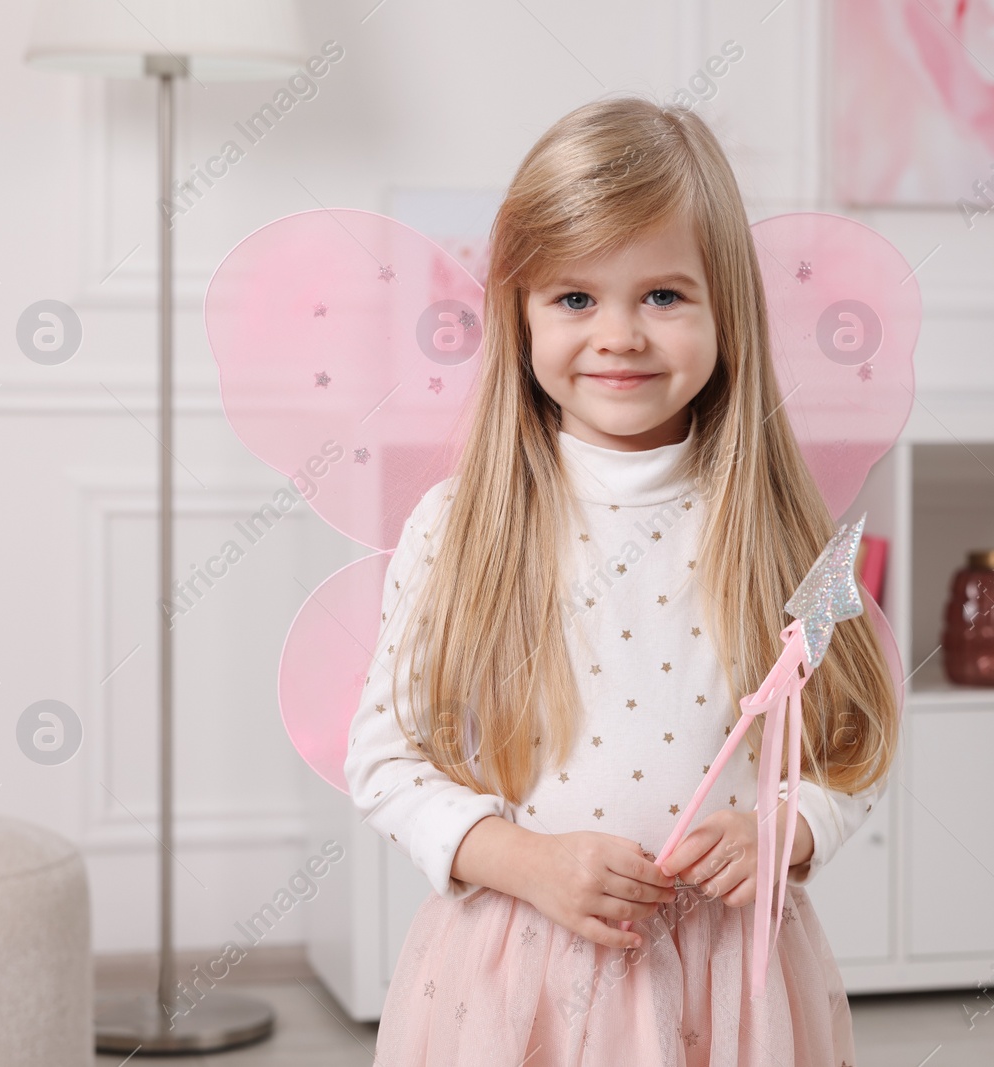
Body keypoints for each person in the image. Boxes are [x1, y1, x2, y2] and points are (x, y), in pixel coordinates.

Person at [345, 93, 900, 1066]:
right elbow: (384, 762)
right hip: (522, 965)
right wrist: (527, 861)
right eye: (574, 297)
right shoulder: (461, 526)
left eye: (663, 295)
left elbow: (851, 741)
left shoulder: (777, 525)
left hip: (730, 979)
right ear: (517, 315)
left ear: (727, 308)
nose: (619, 334)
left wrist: (790, 826)